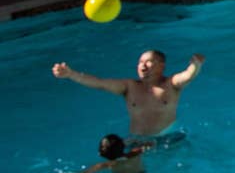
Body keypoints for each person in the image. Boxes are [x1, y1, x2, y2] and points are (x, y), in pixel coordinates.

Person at [52, 50, 204, 137]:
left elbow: (188, 75)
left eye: (148, 61)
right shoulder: (129, 86)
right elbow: (99, 83)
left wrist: (195, 65)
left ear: (161, 66)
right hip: (138, 142)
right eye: (140, 62)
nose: (142, 65)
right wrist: (71, 74)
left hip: (169, 138)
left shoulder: (171, 84)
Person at [37, 134, 151, 173]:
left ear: (101, 154)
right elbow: (150, 144)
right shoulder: (135, 153)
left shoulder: (106, 165)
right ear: (122, 146)